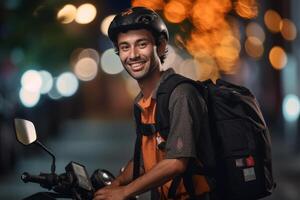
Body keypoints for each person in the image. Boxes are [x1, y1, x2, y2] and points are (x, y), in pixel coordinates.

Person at [94, 7, 213, 200]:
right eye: (124, 47)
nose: (132, 55)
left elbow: (176, 162)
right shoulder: (142, 102)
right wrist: (115, 184)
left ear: (161, 45)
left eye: (141, 44)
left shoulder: (181, 94)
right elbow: (143, 162)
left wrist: (125, 192)